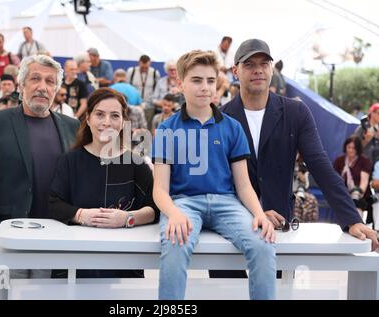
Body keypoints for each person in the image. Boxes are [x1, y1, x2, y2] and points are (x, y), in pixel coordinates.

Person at [221, 39, 378, 251]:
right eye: (249, 65)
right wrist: (254, 213)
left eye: (264, 64)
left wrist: (352, 219)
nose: (258, 70)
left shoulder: (296, 113)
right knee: (226, 285)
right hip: (229, 229)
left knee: (277, 286)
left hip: (279, 228)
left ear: (271, 68)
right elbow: (216, 182)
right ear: (235, 71)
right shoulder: (220, 118)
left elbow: (321, 167)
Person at [152, 50, 276, 300]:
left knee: (263, 244)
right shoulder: (167, 129)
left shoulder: (232, 127)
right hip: (184, 203)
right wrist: (174, 214)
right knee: (175, 242)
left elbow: (244, 186)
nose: (205, 87)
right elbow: (160, 189)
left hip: (226, 203)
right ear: (181, 83)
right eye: (197, 80)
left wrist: (260, 214)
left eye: (210, 80)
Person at [49, 87, 159, 278]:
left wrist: (127, 218)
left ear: (123, 122)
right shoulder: (70, 161)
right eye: (100, 114)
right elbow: (54, 203)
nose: (107, 122)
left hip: (123, 266)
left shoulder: (136, 163)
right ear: (88, 118)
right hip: (75, 262)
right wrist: (81, 214)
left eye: (115, 116)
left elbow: (154, 209)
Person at [0, 55, 79, 240]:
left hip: (59, 237)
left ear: (56, 89)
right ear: (21, 86)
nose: (42, 87)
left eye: (50, 81)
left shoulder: (73, 126)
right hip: (10, 237)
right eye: (35, 78)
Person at [333, 136, 372, 218]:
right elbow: (335, 179)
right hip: (343, 193)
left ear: (358, 149)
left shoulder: (365, 161)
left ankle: (358, 222)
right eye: (349, 147)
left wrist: (357, 193)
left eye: (354, 148)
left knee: (357, 205)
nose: (351, 150)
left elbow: (364, 182)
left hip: (360, 194)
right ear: (345, 147)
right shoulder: (339, 160)